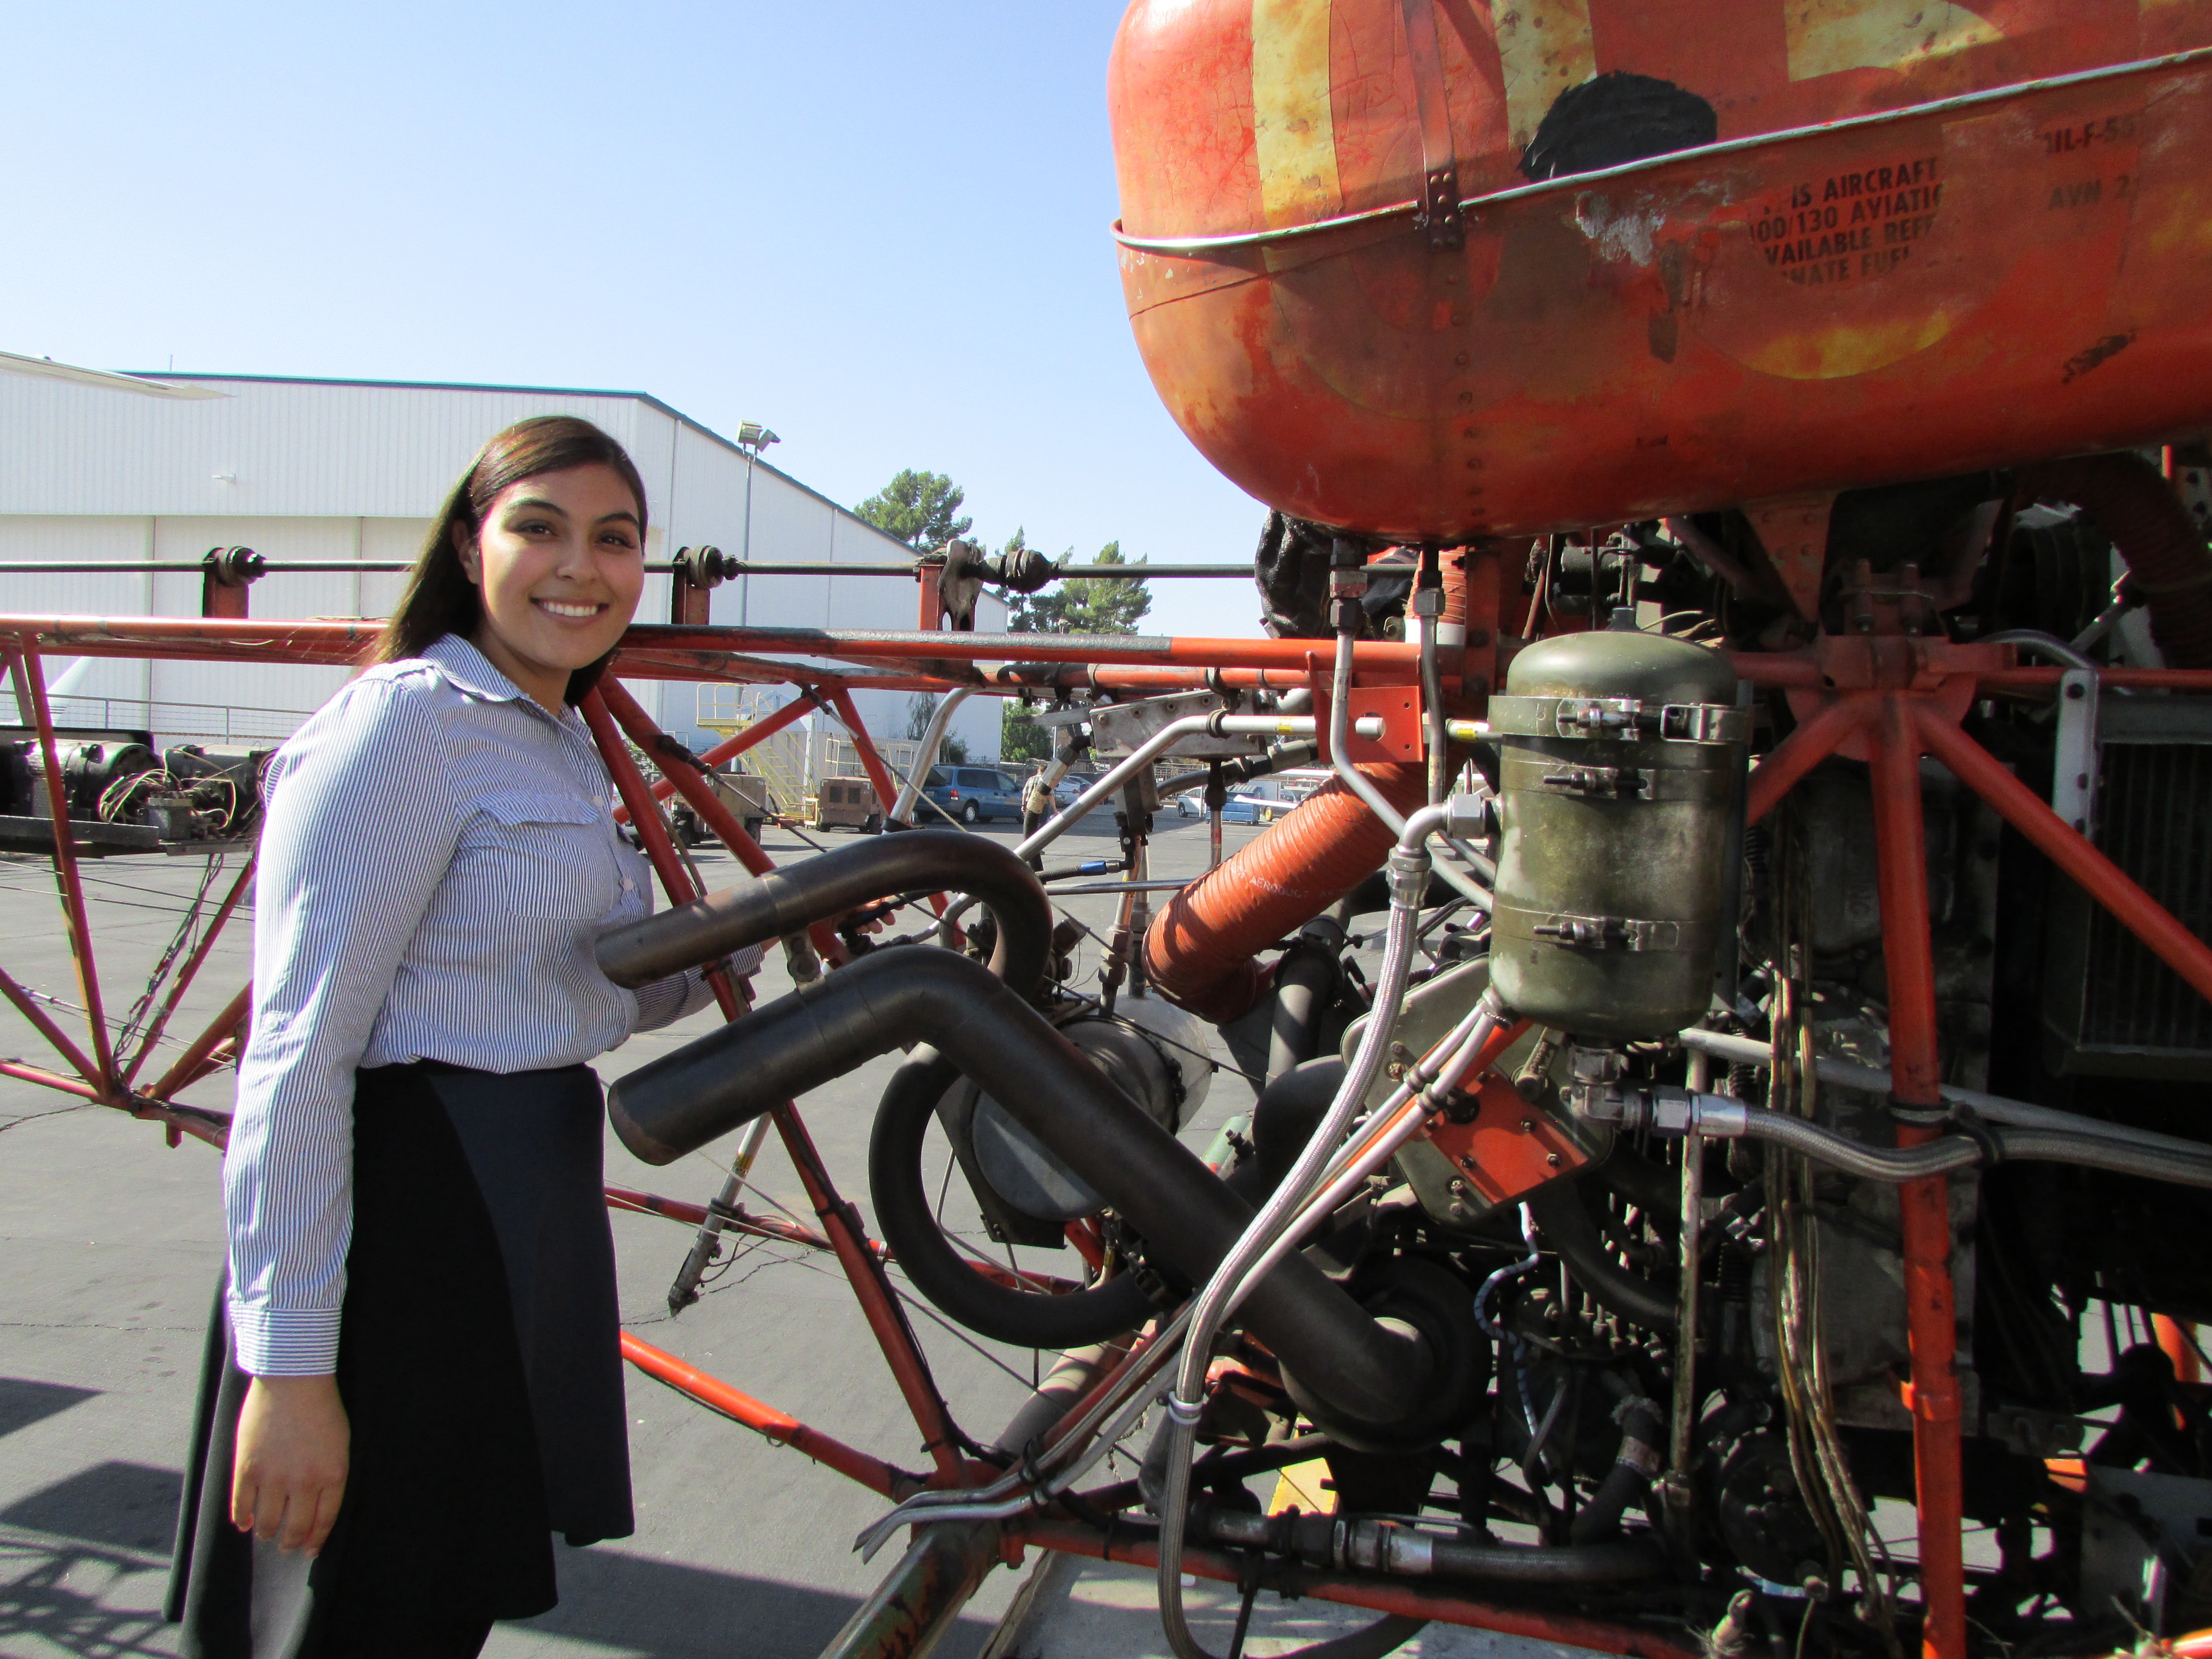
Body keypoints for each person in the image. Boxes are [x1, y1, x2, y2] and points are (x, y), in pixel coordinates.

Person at [167, 415, 749, 1658]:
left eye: (615, 538)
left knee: (438, 1605)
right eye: (538, 528)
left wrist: (753, 936)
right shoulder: (406, 725)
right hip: (413, 1208)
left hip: (521, 1196)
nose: (578, 567)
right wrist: (292, 1371)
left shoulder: (554, 740)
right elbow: (297, 1054)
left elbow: (576, 994)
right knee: (359, 1612)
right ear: (469, 545)